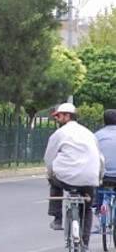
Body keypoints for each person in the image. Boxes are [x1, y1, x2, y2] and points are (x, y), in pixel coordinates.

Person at [44, 102, 102, 250]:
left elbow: (49, 158)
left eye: (59, 116)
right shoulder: (89, 133)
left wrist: (50, 173)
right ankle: (85, 245)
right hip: (90, 178)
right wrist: (98, 178)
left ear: (67, 116)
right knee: (87, 209)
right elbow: (99, 157)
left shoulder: (59, 134)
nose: (57, 119)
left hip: (65, 179)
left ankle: (57, 218)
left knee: (53, 179)